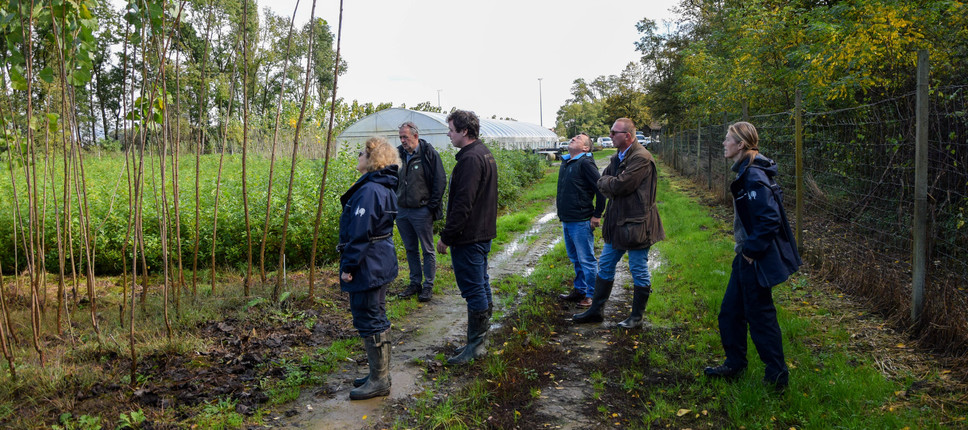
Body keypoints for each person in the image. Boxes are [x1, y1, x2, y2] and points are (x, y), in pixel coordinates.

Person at [704, 121, 801, 392]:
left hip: (755, 257)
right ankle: (734, 363)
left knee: (760, 317)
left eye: (727, 139)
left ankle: (777, 378)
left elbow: (769, 218)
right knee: (730, 312)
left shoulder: (753, 175)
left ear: (741, 145)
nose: (724, 143)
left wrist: (750, 251)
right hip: (746, 254)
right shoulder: (749, 169)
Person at [573, 118, 665, 328]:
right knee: (605, 264)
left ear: (628, 136)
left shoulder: (641, 158)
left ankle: (636, 318)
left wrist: (612, 183)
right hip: (617, 223)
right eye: (611, 132)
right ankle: (596, 310)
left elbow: (622, 185)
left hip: (637, 224)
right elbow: (602, 181)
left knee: (638, 268)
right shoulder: (617, 157)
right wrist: (611, 183)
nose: (611, 135)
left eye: (615, 132)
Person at [337, 136, 400, 400]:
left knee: (368, 314)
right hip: (378, 259)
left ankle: (379, 379)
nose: (359, 157)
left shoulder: (371, 190)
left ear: (372, 160)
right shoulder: (380, 186)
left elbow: (361, 233)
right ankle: (379, 373)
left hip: (369, 262)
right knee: (374, 313)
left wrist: (349, 266)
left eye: (363, 154)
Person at [435, 109, 498, 365]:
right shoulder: (483, 153)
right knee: (481, 283)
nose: (449, 134)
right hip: (480, 233)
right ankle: (479, 339)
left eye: (451, 129)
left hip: (469, 236)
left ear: (464, 131)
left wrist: (446, 237)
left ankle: (476, 345)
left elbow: (463, 205)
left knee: (474, 288)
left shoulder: (471, 160)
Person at [395, 121, 447, 302]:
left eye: (405, 137)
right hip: (402, 211)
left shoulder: (428, 153)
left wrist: (430, 207)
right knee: (410, 249)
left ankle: (428, 286)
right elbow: (391, 179)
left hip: (421, 211)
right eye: (400, 137)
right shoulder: (398, 155)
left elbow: (440, 181)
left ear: (415, 136)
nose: (402, 140)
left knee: (427, 249)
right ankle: (414, 283)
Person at [556, 133, 606, 308]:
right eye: (573, 137)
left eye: (578, 138)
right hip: (568, 219)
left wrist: (597, 214)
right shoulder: (567, 162)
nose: (573, 138)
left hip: (581, 219)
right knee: (575, 258)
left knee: (586, 259)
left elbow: (601, 189)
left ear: (585, 148)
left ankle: (591, 296)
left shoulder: (585, 163)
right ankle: (580, 290)